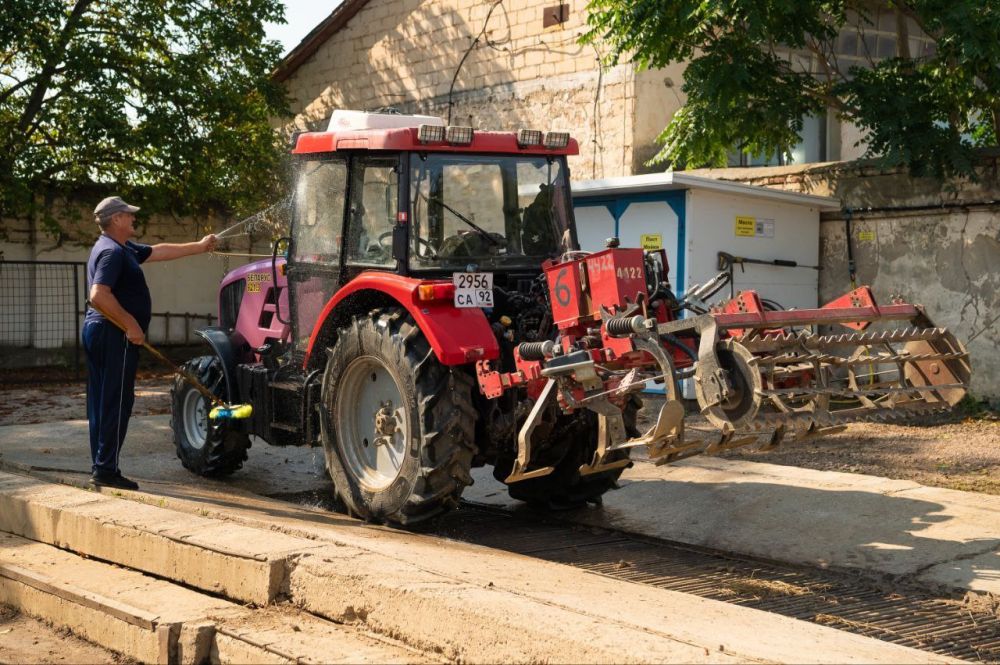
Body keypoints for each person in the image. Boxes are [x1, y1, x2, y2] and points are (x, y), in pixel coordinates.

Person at [83, 196, 217, 490]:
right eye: (129, 215)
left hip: (102, 331)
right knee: (116, 401)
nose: (134, 219)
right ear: (116, 219)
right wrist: (130, 323)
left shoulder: (122, 247)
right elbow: (98, 295)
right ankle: (105, 469)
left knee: (103, 401)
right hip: (111, 332)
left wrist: (199, 246)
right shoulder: (112, 253)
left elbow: (158, 251)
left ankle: (102, 466)